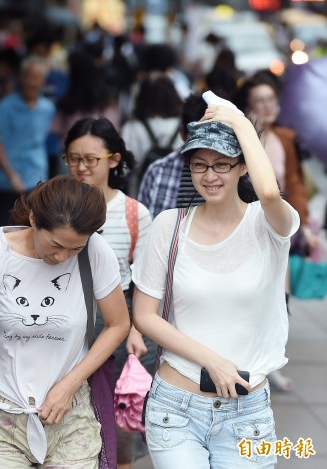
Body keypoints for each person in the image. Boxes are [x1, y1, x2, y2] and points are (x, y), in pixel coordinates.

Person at [0, 175, 131, 468]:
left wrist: (69, 385)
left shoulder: (95, 251)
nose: (63, 256)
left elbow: (118, 324)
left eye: (75, 248)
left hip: (70, 416)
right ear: (33, 219)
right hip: (1, 420)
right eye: (56, 244)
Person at [132, 101, 300, 468]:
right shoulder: (169, 225)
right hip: (176, 408)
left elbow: (270, 193)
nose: (210, 175)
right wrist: (214, 361)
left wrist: (240, 121)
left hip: (247, 415)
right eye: (199, 165)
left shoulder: (269, 225)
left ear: (243, 166)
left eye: (222, 164)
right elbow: (145, 316)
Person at [64, 117, 151, 469]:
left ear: (114, 160)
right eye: (73, 158)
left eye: (91, 159)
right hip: (66, 317)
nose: (81, 167)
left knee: (119, 420)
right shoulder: (57, 203)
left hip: (119, 320)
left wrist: (137, 330)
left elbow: (146, 283)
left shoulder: (134, 213)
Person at [236, 70, 321, 391]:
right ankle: (247, 363)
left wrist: (304, 225)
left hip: (279, 230)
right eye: (259, 102)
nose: (267, 107)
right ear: (248, 105)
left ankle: (268, 363)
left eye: (271, 100)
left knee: (277, 302)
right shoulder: (242, 136)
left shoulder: (285, 137)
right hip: (247, 227)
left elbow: (295, 184)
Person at [0, 55, 56, 228]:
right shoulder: (6, 106)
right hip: (6, 182)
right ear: (22, 77)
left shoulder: (48, 108)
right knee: (4, 229)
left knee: (33, 228)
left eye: (38, 78)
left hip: (36, 179)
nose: (33, 83)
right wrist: (11, 175)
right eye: (30, 77)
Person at [137, 93, 207, 219]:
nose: (203, 148)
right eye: (195, 139)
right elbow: (144, 228)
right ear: (182, 132)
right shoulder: (158, 171)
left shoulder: (234, 173)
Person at [120, 72, 184, 197]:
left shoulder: (132, 127)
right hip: (176, 193)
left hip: (140, 193)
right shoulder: (183, 125)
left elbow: (124, 167)